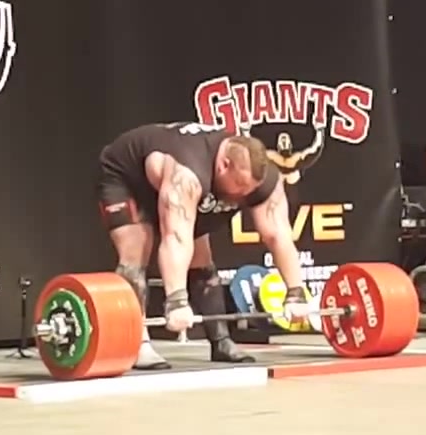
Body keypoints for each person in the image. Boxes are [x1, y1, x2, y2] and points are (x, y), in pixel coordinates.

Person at [95, 121, 312, 370]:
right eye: (240, 186)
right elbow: (175, 238)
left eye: (250, 190)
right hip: (126, 179)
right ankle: (138, 342)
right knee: (136, 250)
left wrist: (295, 292)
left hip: (184, 187)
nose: (244, 196)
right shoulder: (187, 173)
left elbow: (278, 236)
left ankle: (221, 340)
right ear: (224, 165)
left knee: (201, 259)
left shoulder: (263, 179)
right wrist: (176, 300)